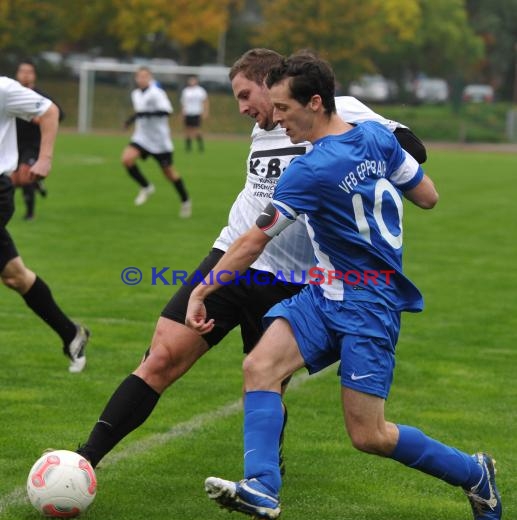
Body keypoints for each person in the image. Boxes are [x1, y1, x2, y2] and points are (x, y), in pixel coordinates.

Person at [74, 49, 426, 476]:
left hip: (297, 277)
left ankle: (263, 481)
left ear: (271, 84)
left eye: (246, 96)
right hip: (234, 255)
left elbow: (411, 150)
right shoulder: (265, 125)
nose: (242, 108)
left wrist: (365, 156)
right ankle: (83, 461)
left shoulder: (340, 112)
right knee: (161, 357)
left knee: (267, 379)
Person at [185, 53, 502, 520]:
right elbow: (428, 196)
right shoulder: (375, 137)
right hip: (326, 292)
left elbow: (253, 240)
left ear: (315, 103)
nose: (276, 118)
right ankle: (262, 487)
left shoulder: (308, 172)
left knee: (368, 434)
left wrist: (201, 290)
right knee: (260, 365)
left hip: (368, 305)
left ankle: (475, 473)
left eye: (284, 109)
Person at [0, 76, 89, 372]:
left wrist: (45, 159)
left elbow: (49, 110)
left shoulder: (3, 88)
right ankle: (71, 334)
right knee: (15, 276)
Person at [122, 67, 192, 217]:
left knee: (169, 174)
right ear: (136, 78)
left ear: (150, 78)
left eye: (145, 76)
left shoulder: (157, 93)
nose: (142, 79)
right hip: (141, 137)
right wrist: (130, 121)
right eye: (139, 77)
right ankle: (146, 186)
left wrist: (144, 113)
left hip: (160, 141)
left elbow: (167, 111)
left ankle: (185, 200)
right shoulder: (135, 94)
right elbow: (139, 112)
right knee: (127, 159)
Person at [10, 60, 65, 221]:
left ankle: (30, 214)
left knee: (25, 175)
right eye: (22, 71)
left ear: (34, 75)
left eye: (29, 71)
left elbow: (58, 114)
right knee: (12, 181)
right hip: (14, 143)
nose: (25, 74)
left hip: (34, 144)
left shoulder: (40, 96)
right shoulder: (10, 95)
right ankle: (36, 184)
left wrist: (38, 118)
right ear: (17, 74)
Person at [180, 76, 209, 153]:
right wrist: (182, 113)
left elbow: (205, 101)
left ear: (196, 81)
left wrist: (205, 111)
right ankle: (188, 148)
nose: (192, 82)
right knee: (188, 130)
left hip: (197, 112)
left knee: (197, 130)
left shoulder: (200, 91)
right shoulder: (186, 91)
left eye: (193, 80)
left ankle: (200, 146)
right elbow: (183, 103)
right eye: (190, 80)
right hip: (188, 113)